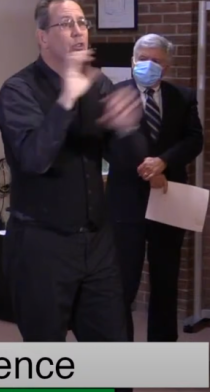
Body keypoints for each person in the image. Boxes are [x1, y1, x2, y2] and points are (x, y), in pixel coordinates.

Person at [0, 0, 148, 346]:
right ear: (43, 37)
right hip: (41, 245)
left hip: (96, 244)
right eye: (67, 23)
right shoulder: (18, 90)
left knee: (114, 348)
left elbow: (132, 161)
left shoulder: (100, 85)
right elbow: (34, 158)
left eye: (83, 22)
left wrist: (127, 127)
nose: (79, 31)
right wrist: (66, 98)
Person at [106, 33, 203, 342]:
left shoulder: (184, 97)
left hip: (170, 197)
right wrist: (148, 170)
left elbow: (194, 140)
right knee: (124, 280)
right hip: (126, 200)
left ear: (168, 65)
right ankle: (120, 351)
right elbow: (109, 145)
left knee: (166, 279)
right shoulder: (113, 96)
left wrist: (162, 162)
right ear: (133, 62)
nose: (149, 64)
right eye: (143, 59)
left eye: (156, 60)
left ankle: (161, 351)